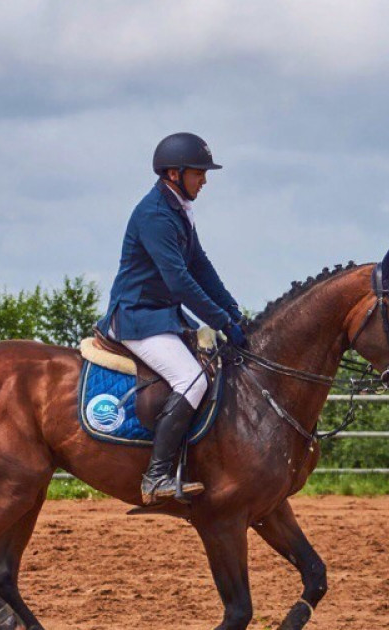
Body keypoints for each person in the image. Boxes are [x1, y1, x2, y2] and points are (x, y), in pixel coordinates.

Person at [95, 132, 248, 505]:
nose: (205, 180)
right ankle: (156, 476)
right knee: (192, 379)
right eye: (199, 173)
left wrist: (233, 311)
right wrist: (222, 324)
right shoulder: (155, 215)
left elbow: (201, 267)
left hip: (161, 316)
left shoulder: (178, 210)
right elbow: (179, 281)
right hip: (137, 318)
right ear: (174, 173)